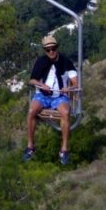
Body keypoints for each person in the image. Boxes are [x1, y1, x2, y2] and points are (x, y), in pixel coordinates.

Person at [24, 33, 79, 165]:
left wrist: (69, 88)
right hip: (43, 95)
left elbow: (75, 82)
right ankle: (30, 145)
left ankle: (64, 149)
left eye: (53, 49)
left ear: (57, 48)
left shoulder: (66, 62)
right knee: (31, 111)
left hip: (59, 96)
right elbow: (32, 80)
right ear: (45, 51)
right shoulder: (41, 61)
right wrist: (42, 85)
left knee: (65, 113)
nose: (51, 52)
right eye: (48, 50)